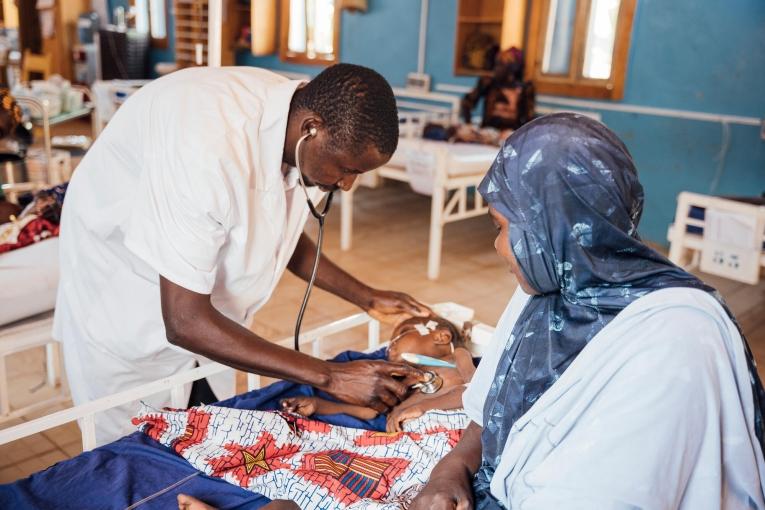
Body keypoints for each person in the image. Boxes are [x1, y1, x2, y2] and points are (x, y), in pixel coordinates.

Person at [54, 63, 432, 445]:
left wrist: (365, 296)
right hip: (129, 303)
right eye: (347, 169)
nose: (347, 186)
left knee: (201, 436)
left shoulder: (298, 130)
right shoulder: (206, 148)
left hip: (204, 321)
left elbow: (278, 232)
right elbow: (184, 321)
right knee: (134, 461)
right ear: (311, 129)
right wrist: (330, 375)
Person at [410, 113, 765, 509]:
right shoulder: (555, 285)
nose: (498, 247)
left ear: (553, 227)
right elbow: (488, 411)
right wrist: (450, 469)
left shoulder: (677, 342)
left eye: (502, 227)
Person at [130, 315, 475, 510]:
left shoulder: (458, 364)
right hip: (391, 450)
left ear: (441, 336)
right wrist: (323, 406)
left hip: (439, 453)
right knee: (292, 502)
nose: (390, 345)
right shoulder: (407, 385)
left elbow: (479, 392)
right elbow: (369, 412)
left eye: (401, 334)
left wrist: (430, 403)